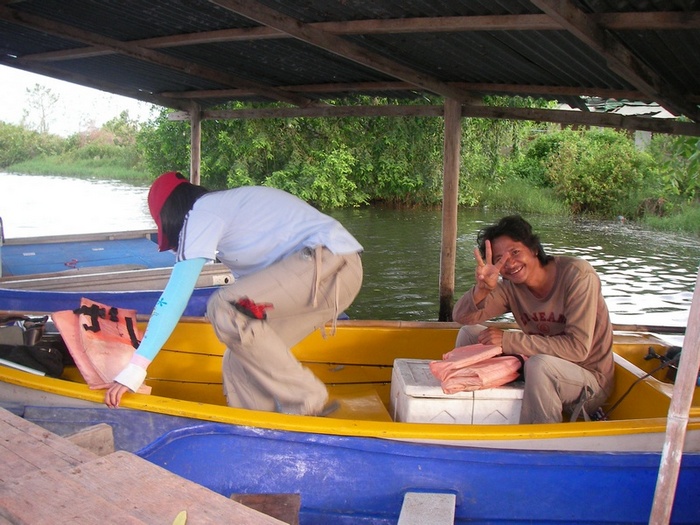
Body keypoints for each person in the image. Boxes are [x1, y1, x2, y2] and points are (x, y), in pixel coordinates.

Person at [99, 171, 363, 416]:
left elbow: (174, 298)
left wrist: (134, 370)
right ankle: (259, 426)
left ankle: (307, 397)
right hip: (329, 281)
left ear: (172, 216)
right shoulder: (232, 228)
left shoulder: (204, 210)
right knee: (240, 356)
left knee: (225, 306)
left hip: (331, 263)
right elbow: (247, 312)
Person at [452, 215, 613, 424]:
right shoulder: (510, 287)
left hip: (589, 382)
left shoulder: (578, 276)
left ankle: (542, 446)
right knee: (470, 334)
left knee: (540, 365)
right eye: (500, 259)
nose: (509, 263)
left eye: (515, 252)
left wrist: (508, 340)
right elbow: (462, 317)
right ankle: (464, 420)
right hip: (538, 367)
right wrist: (481, 291)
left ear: (534, 249)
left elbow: (577, 348)